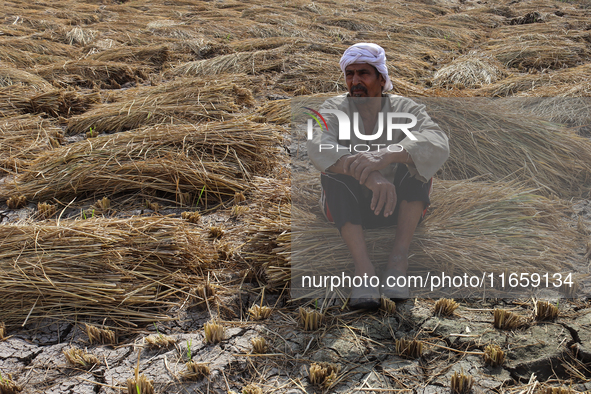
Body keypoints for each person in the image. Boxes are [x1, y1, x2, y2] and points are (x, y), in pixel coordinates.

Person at [306, 43, 450, 309]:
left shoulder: (407, 109)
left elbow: (437, 141)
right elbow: (317, 144)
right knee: (334, 174)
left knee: (416, 167)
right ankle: (364, 270)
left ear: (382, 79)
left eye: (364, 73)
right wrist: (370, 176)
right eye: (350, 74)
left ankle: (398, 259)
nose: (355, 81)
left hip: (399, 208)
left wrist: (391, 154)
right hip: (349, 208)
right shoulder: (332, 108)